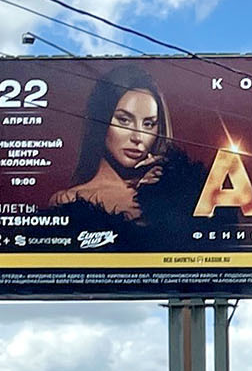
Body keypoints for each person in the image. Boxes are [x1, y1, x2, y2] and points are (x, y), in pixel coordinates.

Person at [48, 65, 213, 249]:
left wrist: (168, 182)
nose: (137, 137)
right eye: (124, 120)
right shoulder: (69, 200)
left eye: (148, 124)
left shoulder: (173, 190)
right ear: (100, 120)